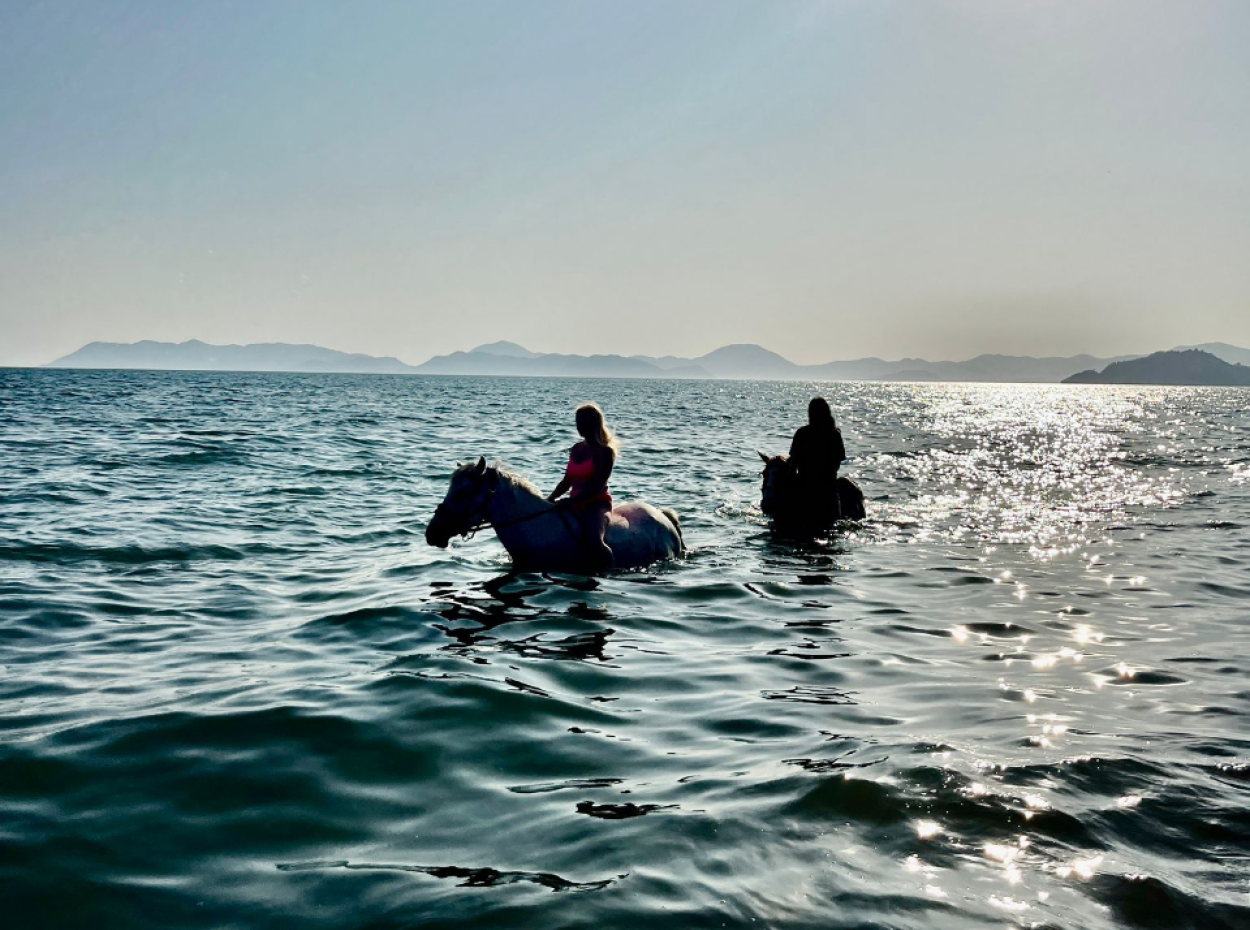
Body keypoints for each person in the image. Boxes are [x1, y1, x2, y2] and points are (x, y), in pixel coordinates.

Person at [547, 403, 617, 570]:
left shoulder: (605, 452)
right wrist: (550, 499)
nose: (578, 427)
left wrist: (570, 502)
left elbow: (597, 487)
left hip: (596, 504)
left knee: (595, 541)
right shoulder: (577, 448)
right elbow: (567, 481)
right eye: (577, 422)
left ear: (592, 424)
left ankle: (611, 572)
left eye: (582, 422)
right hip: (574, 503)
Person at [788, 396, 846, 520]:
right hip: (828, 488)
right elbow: (837, 463)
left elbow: (792, 463)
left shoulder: (802, 433)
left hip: (804, 487)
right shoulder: (834, 435)